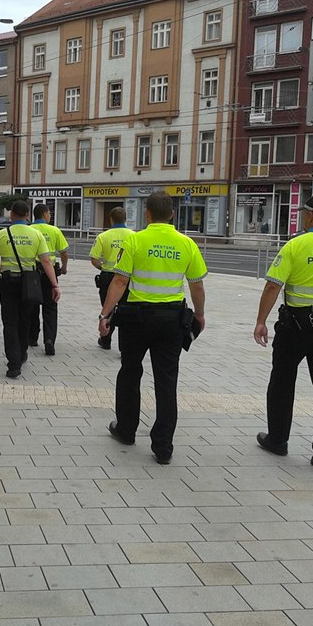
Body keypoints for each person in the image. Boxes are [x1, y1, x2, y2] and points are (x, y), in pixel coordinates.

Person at [98, 190, 207, 464]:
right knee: (167, 382)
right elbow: (196, 284)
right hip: (171, 320)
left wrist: (105, 314)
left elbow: (120, 282)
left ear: (146, 213)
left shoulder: (135, 240)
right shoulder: (186, 243)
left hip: (136, 318)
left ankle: (126, 430)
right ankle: (163, 447)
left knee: (130, 372)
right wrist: (200, 315)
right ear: (172, 214)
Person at [253, 193, 313, 470]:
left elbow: (272, 285)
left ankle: (278, 440)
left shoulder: (296, 245)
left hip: (296, 324)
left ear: (309, 215)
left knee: (282, 381)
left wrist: (260, 321)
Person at [0, 200, 61, 379]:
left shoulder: (1, 234)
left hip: (8, 284)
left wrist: (1, 270)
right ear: (27, 215)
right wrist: (54, 284)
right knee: (25, 320)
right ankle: (22, 354)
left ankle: (13, 363)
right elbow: (45, 261)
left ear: (11, 214)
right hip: (29, 284)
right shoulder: (36, 235)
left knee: (10, 322)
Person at [90, 207, 135, 350]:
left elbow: (94, 259)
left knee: (107, 308)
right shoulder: (134, 236)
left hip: (108, 277)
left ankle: (106, 340)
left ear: (111, 219)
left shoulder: (103, 236)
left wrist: (103, 268)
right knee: (126, 311)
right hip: (128, 278)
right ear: (125, 219)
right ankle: (124, 346)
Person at [29, 203, 69, 355]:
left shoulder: (29, 230)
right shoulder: (54, 230)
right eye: (49, 213)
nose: (50, 216)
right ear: (45, 214)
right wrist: (64, 267)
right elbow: (64, 252)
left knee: (32, 305)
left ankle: (32, 338)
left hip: (32, 274)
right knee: (50, 307)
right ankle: (49, 340)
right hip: (50, 273)